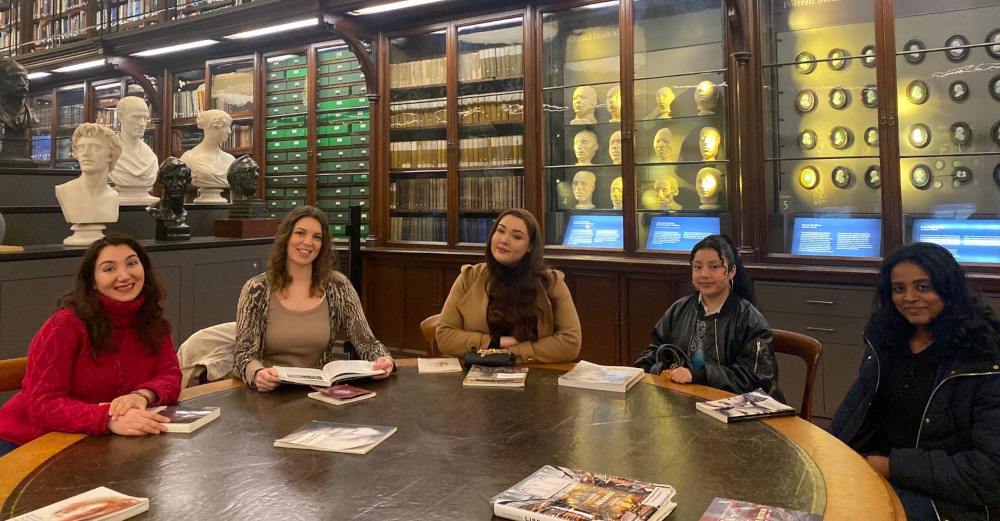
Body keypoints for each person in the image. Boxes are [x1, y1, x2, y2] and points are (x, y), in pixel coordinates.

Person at [828, 242, 1000, 521]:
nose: (909, 297)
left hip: (945, 500)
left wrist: (889, 466)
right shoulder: (885, 339)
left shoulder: (981, 357)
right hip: (872, 473)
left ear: (949, 288)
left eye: (923, 287)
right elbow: (853, 412)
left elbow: (991, 471)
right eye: (899, 288)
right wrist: (826, 455)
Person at [0, 233, 181, 457]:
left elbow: (170, 374)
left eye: (132, 263)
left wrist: (142, 395)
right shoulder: (64, 325)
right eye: (109, 269)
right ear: (92, 282)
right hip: (28, 441)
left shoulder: (153, 320)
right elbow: (42, 404)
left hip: (93, 442)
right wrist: (107, 419)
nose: (124, 276)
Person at [233, 206, 394, 392]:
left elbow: (366, 342)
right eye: (300, 233)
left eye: (317, 237)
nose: (308, 242)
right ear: (286, 237)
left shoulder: (338, 286)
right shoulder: (256, 289)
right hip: (269, 393)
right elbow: (242, 356)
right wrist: (257, 374)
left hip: (317, 391)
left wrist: (384, 359)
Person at [634, 235, 784, 400]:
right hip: (684, 400)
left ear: (732, 271)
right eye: (698, 267)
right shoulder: (679, 309)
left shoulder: (750, 319)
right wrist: (644, 369)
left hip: (735, 410)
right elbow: (657, 349)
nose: (704, 274)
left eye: (714, 267)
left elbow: (757, 379)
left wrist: (699, 375)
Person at [436, 208, 582, 363]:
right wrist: (496, 342)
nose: (504, 240)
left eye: (516, 236)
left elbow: (570, 343)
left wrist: (513, 353)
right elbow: (444, 336)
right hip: (477, 375)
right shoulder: (469, 277)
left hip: (535, 376)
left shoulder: (551, 283)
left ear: (530, 246)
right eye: (500, 231)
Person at [109, 96, 158, 205]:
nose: (142, 123)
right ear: (121, 117)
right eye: (136, 117)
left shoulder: (150, 156)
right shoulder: (109, 151)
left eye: (145, 118)